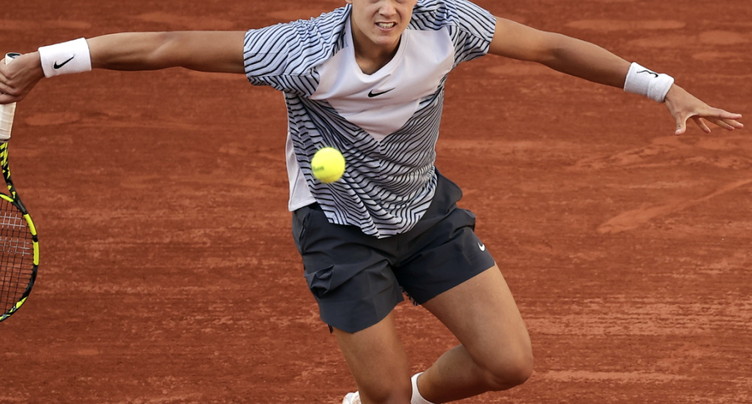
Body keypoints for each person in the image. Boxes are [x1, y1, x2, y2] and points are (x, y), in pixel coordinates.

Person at [0, 0, 743, 403]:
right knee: (378, 399)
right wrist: (46, 61)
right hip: (338, 229)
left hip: (425, 215)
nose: (389, 8)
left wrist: (665, 89)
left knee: (508, 364)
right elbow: (168, 46)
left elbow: (549, 46)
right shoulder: (299, 52)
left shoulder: (450, 25)